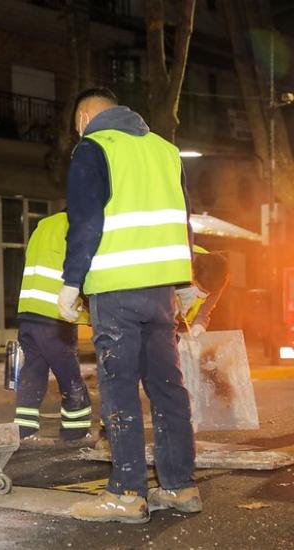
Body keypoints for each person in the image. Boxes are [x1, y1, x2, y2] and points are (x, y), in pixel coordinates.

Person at [58, 88, 199, 523]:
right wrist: (186, 281)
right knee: (167, 387)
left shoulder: (93, 147)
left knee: (119, 389)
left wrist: (71, 283)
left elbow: (85, 220)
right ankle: (179, 486)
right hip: (160, 291)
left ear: (84, 119)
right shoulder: (165, 150)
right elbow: (183, 219)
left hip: (117, 289)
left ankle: (126, 493)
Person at [14, 211, 93, 447]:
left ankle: (24, 431)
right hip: (54, 315)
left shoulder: (44, 226)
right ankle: (76, 434)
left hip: (29, 311)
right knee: (70, 378)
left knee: (33, 373)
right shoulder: (80, 222)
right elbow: (83, 268)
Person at [176, 246, 230, 336]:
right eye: (201, 290)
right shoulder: (178, 261)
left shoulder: (216, 275)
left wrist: (199, 324)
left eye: (207, 293)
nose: (203, 296)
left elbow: (204, 311)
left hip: (183, 325)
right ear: (193, 273)